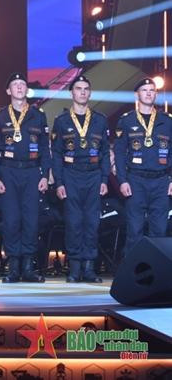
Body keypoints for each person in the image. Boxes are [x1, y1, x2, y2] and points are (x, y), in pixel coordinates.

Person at [0, 73, 51, 283]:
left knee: (31, 220)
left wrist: (45, 175)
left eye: (22, 84)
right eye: (15, 84)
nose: (19, 87)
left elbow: (45, 149)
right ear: (8, 90)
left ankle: (28, 267)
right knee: (11, 220)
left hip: (32, 172)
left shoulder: (38, 115)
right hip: (8, 171)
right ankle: (13, 267)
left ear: (27, 90)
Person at [50, 75, 110, 283]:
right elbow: (56, 154)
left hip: (94, 175)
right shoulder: (61, 121)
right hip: (71, 175)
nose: (82, 92)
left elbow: (105, 153)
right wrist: (59, 182)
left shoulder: (100, 120)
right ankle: (74, 269)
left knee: (92, 223)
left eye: (86, 88)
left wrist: (104, 179)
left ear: (90, 93)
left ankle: (89, 268)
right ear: (71, 93)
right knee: (74, 222)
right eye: (78, 88)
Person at [113, 77, 172, 255]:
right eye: (144, 90)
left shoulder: (167, 121)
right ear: (136, 95)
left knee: (160, 231)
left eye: (152, 90)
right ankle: (134, 269)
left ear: (156, 94)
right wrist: (122, 180)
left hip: (161, 181)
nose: (148, 93)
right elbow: (119, 153)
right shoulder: (126, 121)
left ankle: (157, 270)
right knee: (134, 231)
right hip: (135, 181)